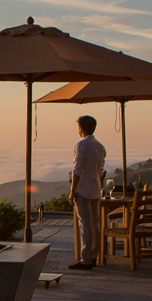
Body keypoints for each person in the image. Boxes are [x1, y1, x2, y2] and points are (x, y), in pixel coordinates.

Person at [69, 115, 107, 270]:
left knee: (85, 225)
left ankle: (86, 260)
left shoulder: (81, 145)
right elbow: (100, 171)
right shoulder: (100, 146)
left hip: (83, 190)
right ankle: (93, 256)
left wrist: (72, 192)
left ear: (81, 128)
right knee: (95, 226)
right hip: (96, 189)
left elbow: (77, 170)